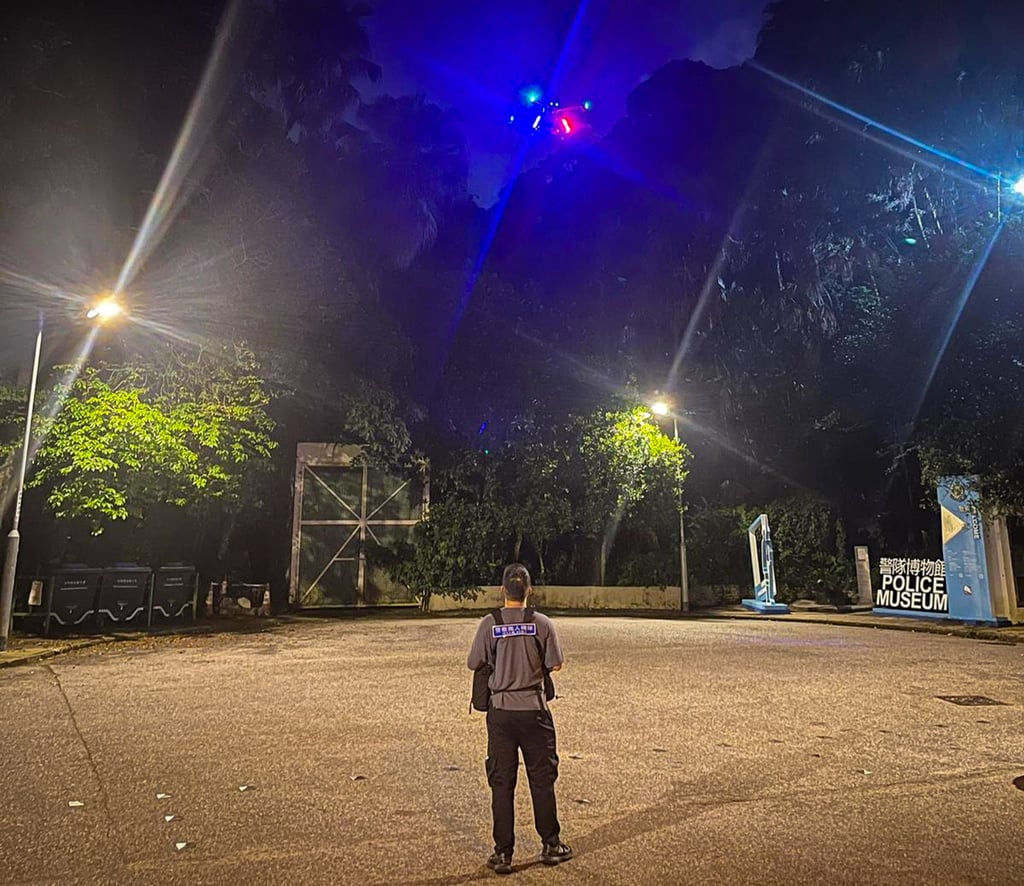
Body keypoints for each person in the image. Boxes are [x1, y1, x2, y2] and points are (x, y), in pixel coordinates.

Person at [467, 563, 573, 875]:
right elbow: (556, 664)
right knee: (542, 780)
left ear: (502, 590)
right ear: (529, 590)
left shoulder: (490, 623)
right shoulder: (542, 623)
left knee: (502, 783)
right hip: (535, 711)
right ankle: (551, 845)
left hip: (501, 714)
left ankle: (503, 853)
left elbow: (475, 662)